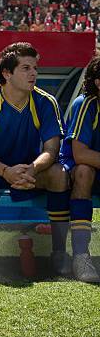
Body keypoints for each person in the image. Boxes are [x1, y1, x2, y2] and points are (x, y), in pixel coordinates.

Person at [0, 42, 71, 280]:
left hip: (30, 172)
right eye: (26, 68)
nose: (34, 74)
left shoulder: (45, 102)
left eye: (35, 68)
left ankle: (60, 252)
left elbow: (52, 148)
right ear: (6, 73)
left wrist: (32, 168)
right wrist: (5, 171)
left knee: (60, 172)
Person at [60, 55, 100, 282]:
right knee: (85, 171)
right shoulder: (85, 103)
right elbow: (80, 154)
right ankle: (81, 255)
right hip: (75, 168)